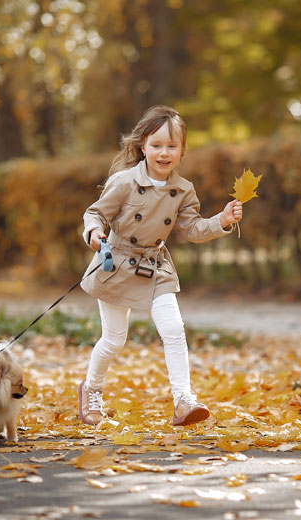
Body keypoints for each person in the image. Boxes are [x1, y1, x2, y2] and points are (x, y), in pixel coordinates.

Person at [77, 105, 243, 427]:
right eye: (156, 145)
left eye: (172, 146)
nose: (164, 153)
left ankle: (183, 399)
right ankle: (91, 389)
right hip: (117, 264)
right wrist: (95, 232)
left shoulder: (183, 190)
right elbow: (96, 213)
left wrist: (221, 220)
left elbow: (192, 229)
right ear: (143, 146)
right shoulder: (124, 182)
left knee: (174, 330)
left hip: (155, 267)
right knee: (114, 339)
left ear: (181, 150)